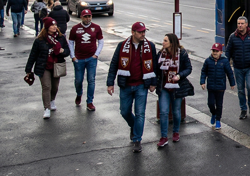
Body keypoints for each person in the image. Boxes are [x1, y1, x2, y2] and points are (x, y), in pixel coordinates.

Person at [106, 22, 159, 153]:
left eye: (144, 32)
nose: (143, 34)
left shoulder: (150, 46)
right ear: (133, 32)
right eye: (140, 32)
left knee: (140, 113)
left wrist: (153, 82)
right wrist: (110, 83)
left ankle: (137, 139)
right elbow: (114, 64)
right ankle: (133, 126)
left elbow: (154, 66)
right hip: (126, 85)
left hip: (141, 85)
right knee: (124, 111)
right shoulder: (122, 46)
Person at [25, 18, 70, 119]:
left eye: (55, 25)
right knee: (46, 87)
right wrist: (28, 69)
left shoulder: (61, 38)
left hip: (57, 65)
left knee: (55, 87)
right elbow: (33, 55)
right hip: (44, 66)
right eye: (52, 25)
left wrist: (63, 51)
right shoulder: (40, 40)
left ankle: (52, 100)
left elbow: (67, 51)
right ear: (46, 27)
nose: (54, 27)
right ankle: (47, 108)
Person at [155, 33, 193, 149]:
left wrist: (179, 76)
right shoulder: (161, 54)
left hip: (177, 86)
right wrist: (154, 83)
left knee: (176, 112)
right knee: (164, 111)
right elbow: (156, 69)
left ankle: (176, 132)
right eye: (163, 40)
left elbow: (188, 68)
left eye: (165, 40)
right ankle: (164, 137)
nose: (163, 42)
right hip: (164, 87)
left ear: (172, 42)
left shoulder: (181, 53)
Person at [225, 16, 250, 119]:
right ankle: (243, 110)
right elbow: (228, 51)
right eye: (238, 24)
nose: (240, 25)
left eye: (242, 23)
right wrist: (225, 63)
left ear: (246, 24)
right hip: (238, 67)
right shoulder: (233, 36)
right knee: (240, 90)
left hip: (249, 67)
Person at [68, 10, 104, 111]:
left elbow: (101, 41)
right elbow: (70, 42)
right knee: (78, 80)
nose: (87, 19)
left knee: (91, 80)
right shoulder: (75, 29)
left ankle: (90, 102)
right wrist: (73, 56)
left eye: (89, 16)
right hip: (78, 59)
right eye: (85, 17)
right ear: (81, 17)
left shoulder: (96, 28)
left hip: (91, 59)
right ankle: (79, 94)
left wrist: (96, 54)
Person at [200, 43, 235, 130]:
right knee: (210, 103)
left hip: (220, 86)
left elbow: (229, 73)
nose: (215, 53)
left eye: (217, 51)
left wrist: (232, 83)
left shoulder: (224, 61)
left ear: (221, 52)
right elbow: (204, 71)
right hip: (211, 86)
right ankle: (213, 113)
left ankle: (218, 120)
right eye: (213, 51)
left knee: (219, 104)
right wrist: (202, 82)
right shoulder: (208, 61)